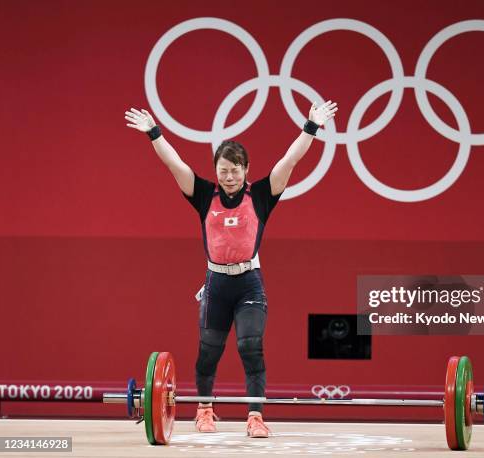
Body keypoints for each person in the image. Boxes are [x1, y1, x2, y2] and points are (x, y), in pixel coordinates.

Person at [124, 100, 337, 437]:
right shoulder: (204, 194)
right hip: (217, 284)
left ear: (246, 169)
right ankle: (205, 410)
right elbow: (173, 163)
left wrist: (312, 126)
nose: (229, 176)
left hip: (249, 283)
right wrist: (153, 132)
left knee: (250, 345)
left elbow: (290, 160)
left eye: (235, 169)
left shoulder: (263, 195)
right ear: (216, 170)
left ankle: (255, 416)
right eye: (223, 170)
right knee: (208, 352)